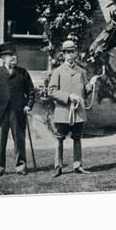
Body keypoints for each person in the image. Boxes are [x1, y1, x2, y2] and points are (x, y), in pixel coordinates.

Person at [48, 40, 98, 177]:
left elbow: (85, 91)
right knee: (59, 138)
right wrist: (68, 96)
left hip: (78, 112)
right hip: (63, 112)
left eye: (72, 52)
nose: (70, 55)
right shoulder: (57, 71)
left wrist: (91, 85)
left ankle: (78, 165)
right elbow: (51, 91)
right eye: (67, 52)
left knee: (77, 138)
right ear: (63, 54)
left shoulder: (81, 71)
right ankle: (58, 167)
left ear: (75, 53)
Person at [0, 42, 35, 176]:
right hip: (1, 113)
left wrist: (28, 104)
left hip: (18, 112)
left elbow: (31, 91)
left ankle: (20, 166)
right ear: (3, 58)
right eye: (10, 55)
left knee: (19, 140)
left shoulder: (22, 73)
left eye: (14, 55)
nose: (13, 57)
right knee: (0, 141)